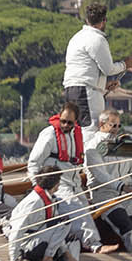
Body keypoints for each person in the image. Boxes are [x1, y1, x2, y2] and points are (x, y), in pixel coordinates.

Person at [26, 102, 101, 250]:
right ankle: (95, 245)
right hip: (57, 183)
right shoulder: (49, 135)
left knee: (86, 209)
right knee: (77, 210)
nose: (65, 125)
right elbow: (33, 163)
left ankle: (78, 247)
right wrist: (39, 188)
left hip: (74, 183)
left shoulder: (76, 134)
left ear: (76, 122)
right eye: (63, 121)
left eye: (69, 122)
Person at [83, 110, 132, 257]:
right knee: (127, 227)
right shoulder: (92, 147)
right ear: (102, 124)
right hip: (105, 195)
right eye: (113, 125)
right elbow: (101, 175)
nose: (117, 129)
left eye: (119, 125)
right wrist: (122, 187)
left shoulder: (124, 144)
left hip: (127, 195)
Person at [64, 2, 132, 127]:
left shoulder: (76, 38)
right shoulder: (97, 39)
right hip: (86, 92)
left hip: (72, 89)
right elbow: (108, 69)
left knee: (76, 131)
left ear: (87, 19)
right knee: (90, 129)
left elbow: (85, 68)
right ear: (104, 21)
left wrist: (103, 85)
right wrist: (125, 64)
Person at [6, 171, 81, 261]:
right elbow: (17, 230)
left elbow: (58, 232)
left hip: (39, 239)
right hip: (28, 247)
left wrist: (68, 254)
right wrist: (14, 259)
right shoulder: (33, 203)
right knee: (64, 222)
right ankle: (47, 259)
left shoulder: (50, 199)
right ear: (55, 185)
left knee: (72, 239)